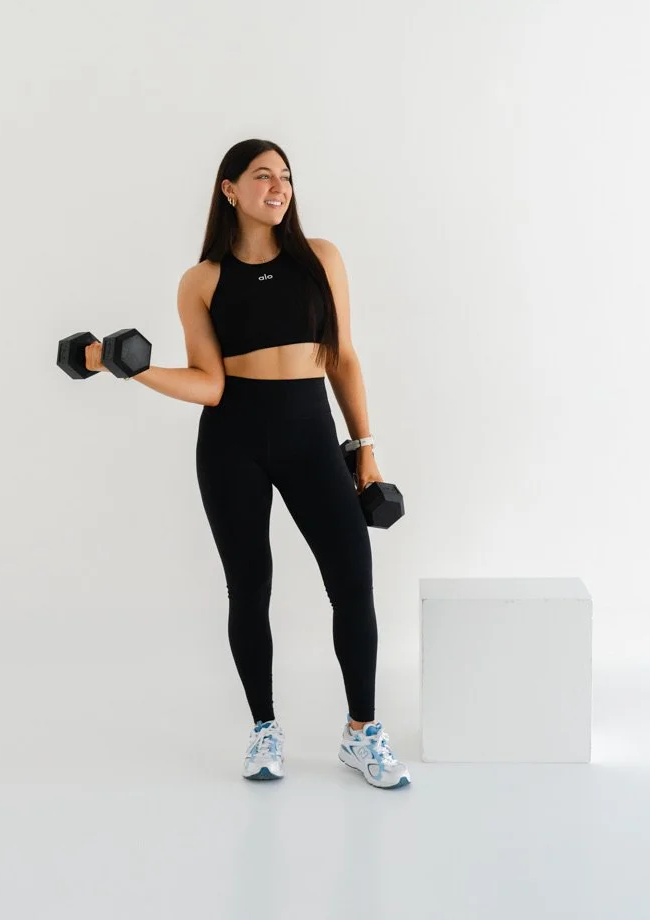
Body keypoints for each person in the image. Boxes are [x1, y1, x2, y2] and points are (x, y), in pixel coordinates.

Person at [86, 139, 411, 790]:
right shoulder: (201, 281)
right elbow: (210, 384)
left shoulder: (321, 259)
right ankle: (264, 730)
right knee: (250, 588)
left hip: (312, 437)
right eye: (263, 175)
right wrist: (130, 366)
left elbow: (342, 357)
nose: (279, 186)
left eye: (286, 176)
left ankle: (362, 732)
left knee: (352, 581)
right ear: (229, 189)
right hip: (232, 441)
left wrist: (364, 448)